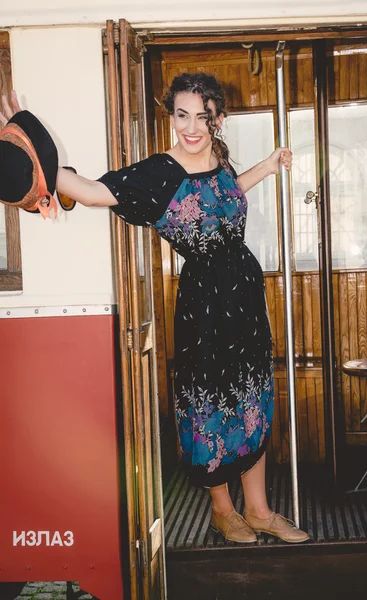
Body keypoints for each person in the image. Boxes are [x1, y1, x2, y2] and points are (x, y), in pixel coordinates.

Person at [1, 73, 308, 544]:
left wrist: (266, 167)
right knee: (209, 407)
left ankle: (260, 509)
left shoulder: (223, 163)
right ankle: (223, 511)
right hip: (204, 306)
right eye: (182, 115)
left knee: (251, 400)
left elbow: (226, 197)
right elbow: (91, 191)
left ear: (218, 121)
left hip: (245, 299)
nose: (191, 127)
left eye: (202, 117)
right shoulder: (159, 174)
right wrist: (32, 158)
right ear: (171, 117)